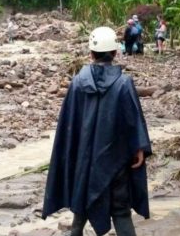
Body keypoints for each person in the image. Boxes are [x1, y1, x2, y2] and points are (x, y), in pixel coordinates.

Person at [42, 26, 152, 236]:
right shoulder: (124, 83)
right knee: (121, 212)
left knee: (80, 209)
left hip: (84, 162)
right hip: (116, 161)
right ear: (115, 52)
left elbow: (69, 128)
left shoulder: (77, 83)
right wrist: (139, 148)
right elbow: (133, 121)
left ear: (90, 53)